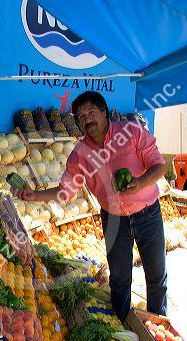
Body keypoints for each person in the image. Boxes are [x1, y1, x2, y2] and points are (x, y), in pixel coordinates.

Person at [12, 91, 167, 322]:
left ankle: (158, 328)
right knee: (119, 279)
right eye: (81, 116)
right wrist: (33, 195)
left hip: (148, 213)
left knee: (156, 277)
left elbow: (159, 166)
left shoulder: (131, 132)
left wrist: (139, 183)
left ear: (104, 112)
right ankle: (122, 322)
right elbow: (65, 192)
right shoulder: (80, 155)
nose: (87, 119)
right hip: (114, 220)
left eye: (91, 112)